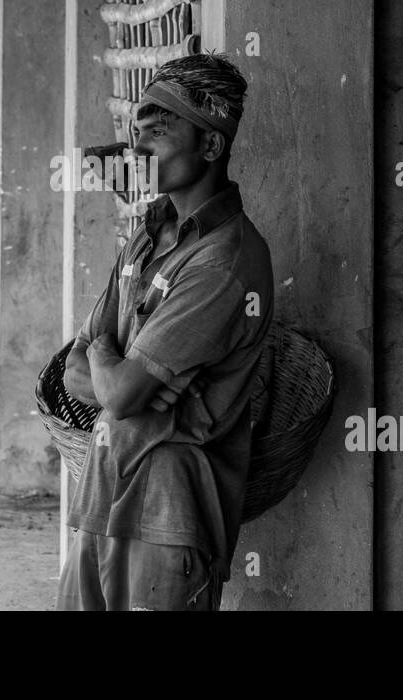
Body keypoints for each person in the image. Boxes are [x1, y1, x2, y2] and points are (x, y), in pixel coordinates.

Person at [57, 53, 274, 611]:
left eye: (159, 133)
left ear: (210, 146)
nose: (139, 150)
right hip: (101, 492)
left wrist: (116, 375)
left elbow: (121, 394)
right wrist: (115, 366)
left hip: (169, 510)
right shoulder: (147, 233)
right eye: (137, 133)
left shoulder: (223, 262)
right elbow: (77, 368)